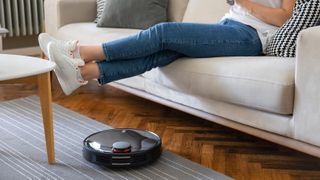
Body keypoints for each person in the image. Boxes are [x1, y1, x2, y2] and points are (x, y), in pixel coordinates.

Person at [39, 0, 295, 95]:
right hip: (229, 25)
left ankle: (78, 52)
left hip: (252, 36)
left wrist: (245, 3)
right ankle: (83, 74)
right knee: (160, 54)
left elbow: (284, 16)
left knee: (164, 33)